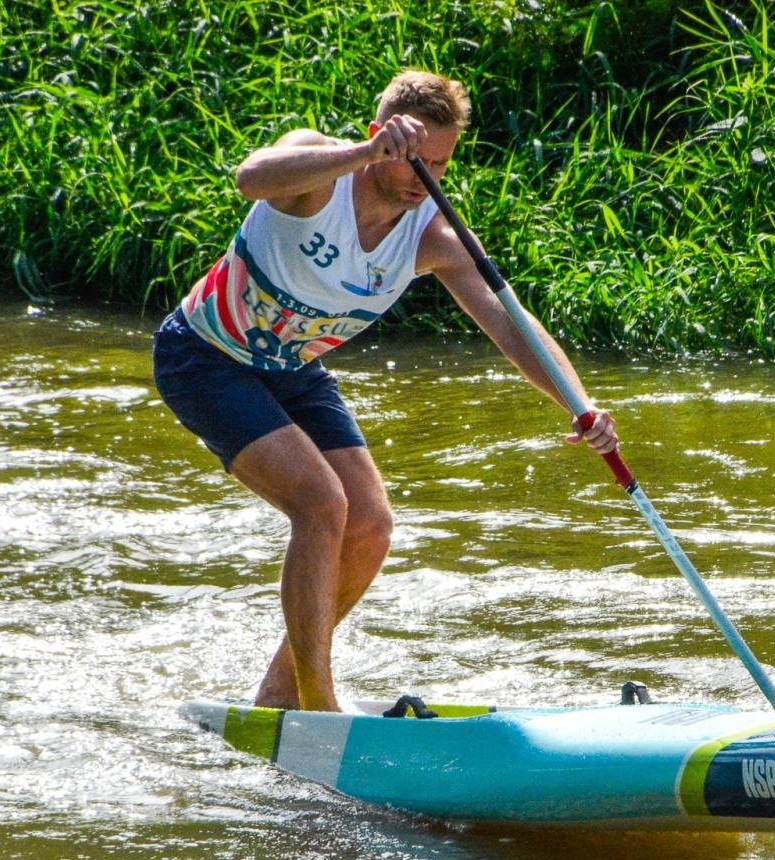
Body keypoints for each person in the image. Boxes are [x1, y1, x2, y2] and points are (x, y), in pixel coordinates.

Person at [152, 69, 619, 712]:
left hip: (294, 370)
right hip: (204, 358)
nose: (424, 178)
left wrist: (580, 404)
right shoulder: (320, 172)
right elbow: (250, 177)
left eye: (440, 164)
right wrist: (365, 154)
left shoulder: (432, 234)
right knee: (321, 503)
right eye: (412, 158)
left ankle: (281, 692)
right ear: (380, 136)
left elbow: (510, 323)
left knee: (370, 525)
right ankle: (319, 703)